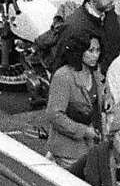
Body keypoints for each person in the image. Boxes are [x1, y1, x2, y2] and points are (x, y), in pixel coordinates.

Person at [44, 33, 106, 165]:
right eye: (91, 51)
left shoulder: (96, 74)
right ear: (79, 51)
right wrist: (83, 131)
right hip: (67, 152)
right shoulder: (64, 76)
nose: (95, 55)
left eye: (98, 50)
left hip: (91, 149)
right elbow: (54, 115)